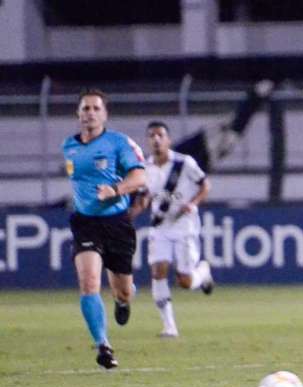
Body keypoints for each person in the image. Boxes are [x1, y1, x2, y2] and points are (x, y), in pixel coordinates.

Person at [62, 88, 146, 369]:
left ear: (105, 114)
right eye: (85, 108)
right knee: (88, 282)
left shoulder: (119, 143)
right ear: (78, 113)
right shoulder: (68, 146)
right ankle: (103, 346)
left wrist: (116, 189)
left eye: (96, 108)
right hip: (85, 223)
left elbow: (139, 175)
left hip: (117, 222)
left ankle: (123, 300)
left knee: (122, 290)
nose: (90, 113)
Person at [130, 121, 214, 338]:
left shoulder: (184, 163)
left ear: (168, 139)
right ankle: (169, 327)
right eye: (152, 136)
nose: (156, 139)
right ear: (148, 141)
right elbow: (144, 198)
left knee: (184, 281)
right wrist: (129, 216)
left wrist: (193, 203)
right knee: (158, 271)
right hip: (160, 228)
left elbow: (205, 185)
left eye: (160, 135)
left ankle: (202, 273)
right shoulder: (145, 168)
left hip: (185, 226)